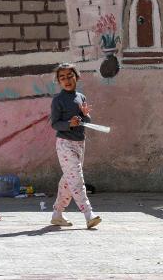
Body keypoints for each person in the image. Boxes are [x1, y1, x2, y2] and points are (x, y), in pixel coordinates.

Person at [49, 62, 101, 229]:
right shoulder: (58, 100)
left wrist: (85, 116)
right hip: (65, 144)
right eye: (62, 78)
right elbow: (55, 124)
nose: (67, 80)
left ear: (76, 77)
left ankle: (57, 214)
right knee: (76, 179)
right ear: (58, 82)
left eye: (70, 76)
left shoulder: (81, 97)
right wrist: (69, 124)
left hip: (80, 143)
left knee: (68, 180)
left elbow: (85, 122)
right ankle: (88, 213)